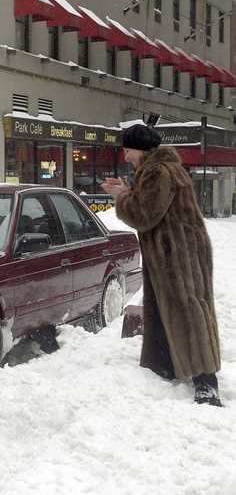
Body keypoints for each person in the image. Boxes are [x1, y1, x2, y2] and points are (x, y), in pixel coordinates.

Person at [101, 124, 222, 407]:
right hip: (177, 250)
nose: (125, 154)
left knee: (186, 308)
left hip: (176, 253)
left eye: (128, 148)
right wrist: (128, 191)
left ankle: (206, 383)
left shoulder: (158, 171)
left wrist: (121, 197)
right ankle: (166, 365)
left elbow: (145, 215)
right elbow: (153, 206)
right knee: (171, 305)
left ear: (140, 149)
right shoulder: (163, 169)